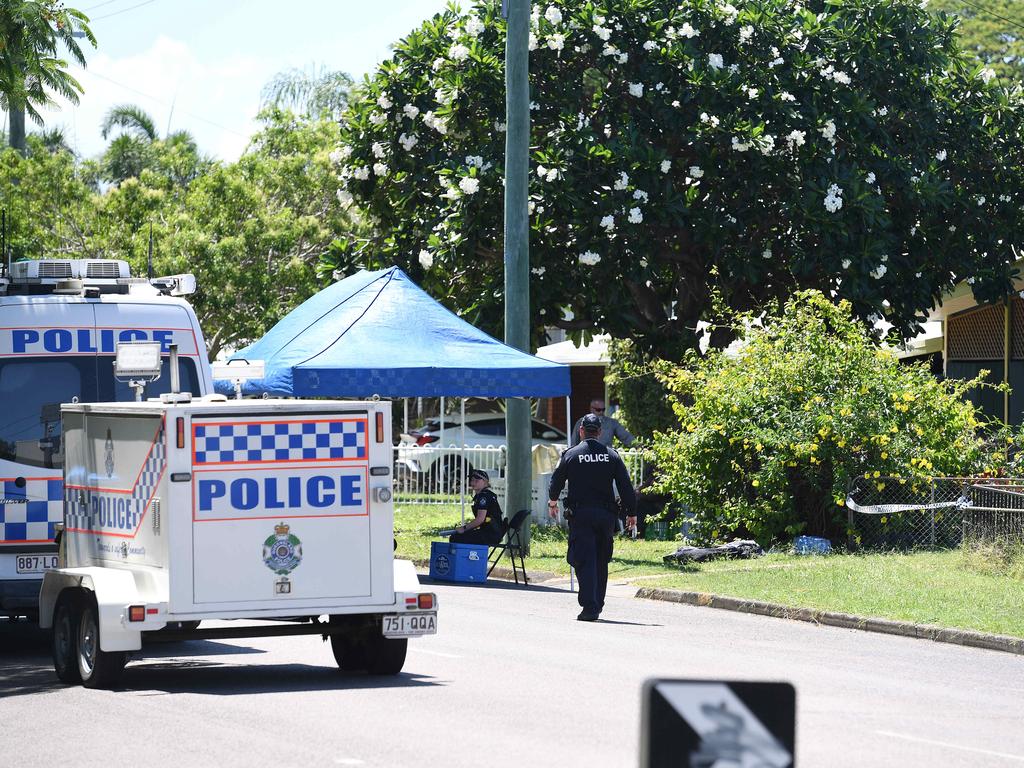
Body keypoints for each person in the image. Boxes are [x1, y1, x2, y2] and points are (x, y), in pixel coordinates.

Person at [548, 413, 636, 621]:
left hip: (581, 516)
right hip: (606, 517)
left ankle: (590, 607)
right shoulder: (612, 455)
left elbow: (556, 481)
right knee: (600, 560)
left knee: (584, 559)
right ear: (600, 432)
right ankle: (598, 601)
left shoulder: (571, 454)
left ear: (581, 431)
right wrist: (631, 513)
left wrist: (552, 502)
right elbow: (626, 486)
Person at [449, 469, 506, 546]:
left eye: (477, 480)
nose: (473, 482)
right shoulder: (484, 495)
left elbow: (480, 519)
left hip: (491, 534)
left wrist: (464, 528)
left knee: (456, 538)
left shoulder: (484, 497)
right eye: (472, 480)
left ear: (485, 482)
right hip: (492, 532)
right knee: (460, 536)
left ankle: (468, 558)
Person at [570, 398, 635, 447]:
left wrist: (638, 445)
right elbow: (574, 442)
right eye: (598, 410)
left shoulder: (611, 423)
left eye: (603, 409)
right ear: (591, 409)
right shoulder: (581, 422)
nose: (601, 412)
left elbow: (626, 437)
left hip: (605, 457)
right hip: (586, 456)